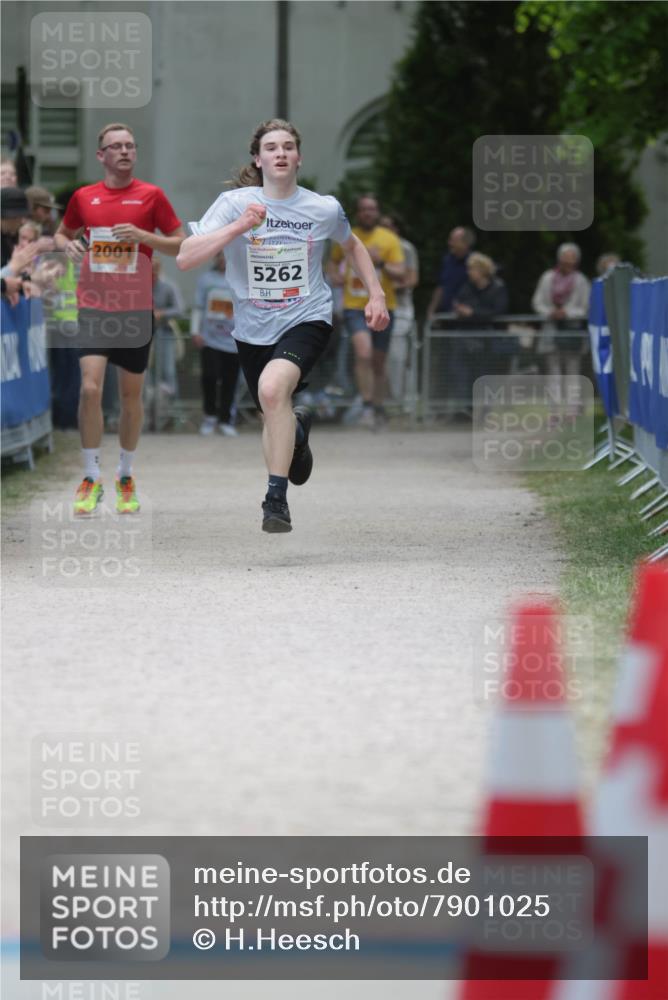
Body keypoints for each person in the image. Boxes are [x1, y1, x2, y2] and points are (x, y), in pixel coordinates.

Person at [177, 118, 389, 533]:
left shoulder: (321, 207)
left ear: (298, 157)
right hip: (252, 326)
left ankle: (275, 500)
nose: (280, 153)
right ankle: (298, 431)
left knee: (272, 390)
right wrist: (240, 226)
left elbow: (353, 245)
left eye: (288, 146)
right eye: (271, 147)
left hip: (306, 316)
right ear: (257, 159)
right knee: (272, 408)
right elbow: (186, 257)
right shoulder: (236, 204)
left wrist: (376, 294)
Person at [54, 122, 185, 515]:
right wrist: (70, 247)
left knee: (131, 398)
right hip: (94, 305)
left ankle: (125, 474)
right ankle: (91, 476)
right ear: (101, 155)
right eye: (116, 146)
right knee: (90, 390)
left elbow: (181, 242)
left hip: (134, 310)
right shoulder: (84, 197)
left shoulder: (151, 196)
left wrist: (145, 238)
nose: (125, 151)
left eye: (130, 145)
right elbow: (62, 234)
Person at [328, 194, 404, 429]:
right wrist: (336, 275)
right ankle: (368, 405)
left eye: (372, 209)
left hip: (383, 305)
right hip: (355, 307)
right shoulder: (347, 235)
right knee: (363, 354)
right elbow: (332, 262)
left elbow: (400, 272)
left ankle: (379, 407)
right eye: (363, 209)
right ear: (357, 213)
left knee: (379, 362)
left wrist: (380, 263)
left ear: (378, 212)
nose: (368, 213)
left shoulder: (389, 239)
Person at [531, 242, 591, 410]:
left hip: (572, 332)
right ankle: (554, 408)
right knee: (553, 371)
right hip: (551, 330)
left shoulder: (581, 281)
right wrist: (551, 312)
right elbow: (537, 303)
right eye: (565, 259)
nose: (567, 263)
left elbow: (585, 307)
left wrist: (567, 313)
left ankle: (573, 407)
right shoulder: (547, 278)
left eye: (571, 259)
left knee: (573, 371)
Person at [191, 252, 241, 437]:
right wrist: (195, 331)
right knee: (210, 377)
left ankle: (226, 419)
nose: (223, 259)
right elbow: (198, 306)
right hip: (209, 338)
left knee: (230, 380)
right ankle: (210, 416)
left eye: (227, 256)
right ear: (215, 258)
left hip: (234, 340)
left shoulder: (241, 279)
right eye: (220, 256)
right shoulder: (206, 280)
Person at [379, 211, 419, 406]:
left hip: (400, 309)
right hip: (376, 309)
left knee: (397, 357)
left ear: (396, 228)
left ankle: (404, 402)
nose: (383, 230)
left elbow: (411, 279)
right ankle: (384, 403)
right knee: (378, 358)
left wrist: (388, 286)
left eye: (388, 226)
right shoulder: (374, 246)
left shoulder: (405, 248)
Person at [150, 257, 184, 405]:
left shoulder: (168, 286)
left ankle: (172, 407)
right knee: (145, 371)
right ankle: (150, 406)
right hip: (142, 333)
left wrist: (161, 313)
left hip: (164, 332)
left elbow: (179, 309)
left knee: (167, 370)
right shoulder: (139, 285)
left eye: (154, 268)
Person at [426, 226, 476, 319]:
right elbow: (441, 286)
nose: (450, 243)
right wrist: (431, 311)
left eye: (454, 240)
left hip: (467, 318)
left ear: (465, 243)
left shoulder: (474, 263)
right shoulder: (447, 260)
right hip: (446, 314)